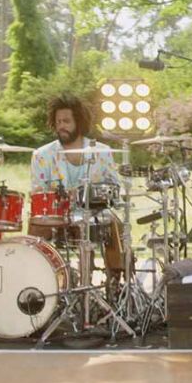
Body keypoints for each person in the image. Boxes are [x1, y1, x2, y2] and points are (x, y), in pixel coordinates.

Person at [29, 93, 124, 281]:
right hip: (56, 216)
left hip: (94, 214)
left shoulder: (101, 152)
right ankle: (41, 282)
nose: (61, 126)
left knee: (115, 224)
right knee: (35, 227)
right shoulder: (42, 155)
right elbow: (38, 192)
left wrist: (91, 195)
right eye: (58, 122)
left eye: (66, 121)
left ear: (78, 123)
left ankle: (115, 284)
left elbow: (115, 187)